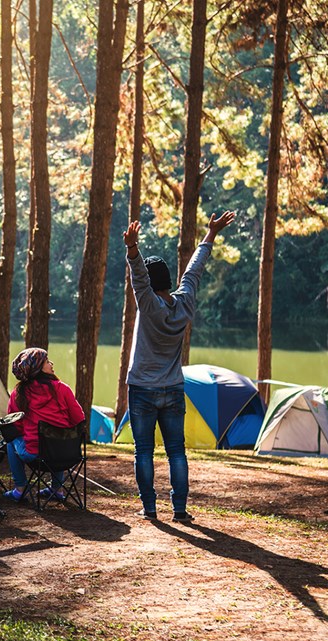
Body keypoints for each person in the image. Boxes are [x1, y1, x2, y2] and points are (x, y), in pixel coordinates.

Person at [123, 210, 236, 523]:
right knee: (177, 451)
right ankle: (180, 509)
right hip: (173, 387)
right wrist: (210, 234)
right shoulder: (184, 301)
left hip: (143, 389)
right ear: (169, 281)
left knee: (143, 451)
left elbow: (139, 280)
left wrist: (132, 250)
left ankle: (149, 509)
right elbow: (194, 271)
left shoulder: (147, 304)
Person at [3, 347, 86, 502]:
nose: (51, 363)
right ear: (38, 367)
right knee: (57, 437)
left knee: (11, 440)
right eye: (47, 361)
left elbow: (16, 425)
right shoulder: (63, 388)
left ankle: (20, 489)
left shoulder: (19, 394)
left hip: (35, 455)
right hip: (67, 453)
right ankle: (57, 489)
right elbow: (79, 418)